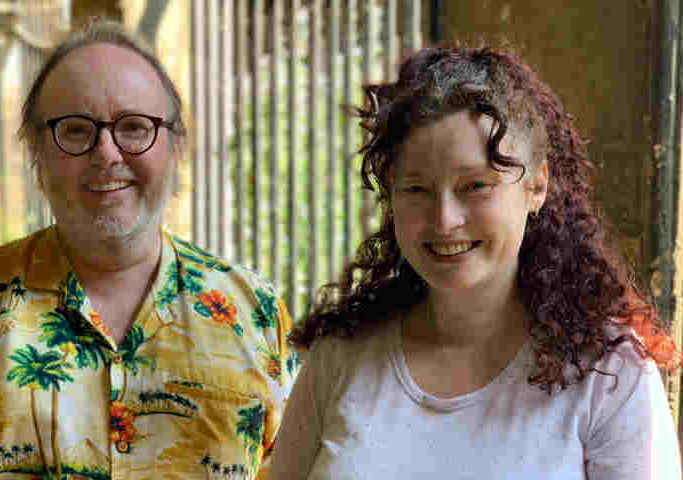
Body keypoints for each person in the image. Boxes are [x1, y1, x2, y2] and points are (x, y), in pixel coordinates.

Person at [269, 46, 682, 479]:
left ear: (537, 184)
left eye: (476, 186)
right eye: (416, 189)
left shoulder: (609, 374)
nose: (445, 219)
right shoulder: (339, 357)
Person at [0, 19, 297, 480]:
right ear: (36, 152)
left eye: (134, 127)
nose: (107, 153)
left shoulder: (254, 314)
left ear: (176, 146)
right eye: (76, 131)